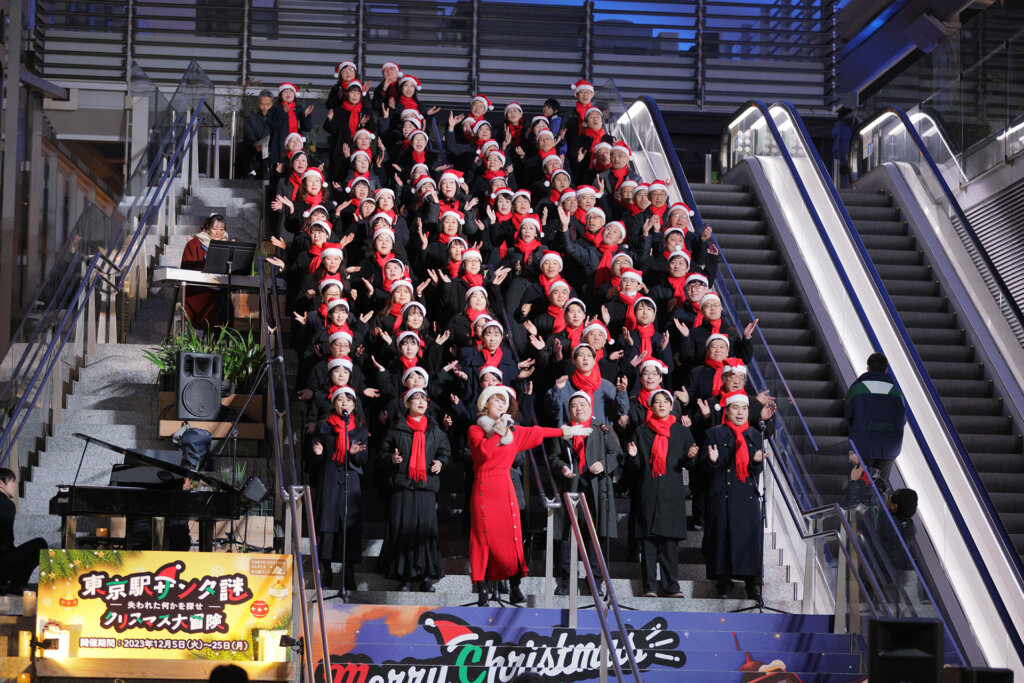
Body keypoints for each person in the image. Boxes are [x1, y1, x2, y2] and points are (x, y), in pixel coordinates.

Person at [468, 385, 589, 605]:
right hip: (484, 487)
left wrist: (565, 432)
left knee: (513, 537)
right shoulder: (476, 430)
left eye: (504, 400)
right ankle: (483, 591)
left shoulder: (513, 431)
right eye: (496, 399)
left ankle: (515, 586)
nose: (501, 403)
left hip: (505, 487)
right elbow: (484, 452)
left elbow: (538, 432)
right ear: (485, 404)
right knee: (483, 538)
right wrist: (499, 430)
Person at [625, 390, 697, 598]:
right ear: (651, 406)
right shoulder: (641, 431)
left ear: (672, 405)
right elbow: (636, 466)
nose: (662, 405)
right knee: (647, 543)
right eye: (657, 402)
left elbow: (690, 463)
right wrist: (632, 457)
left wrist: (691, 455)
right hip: (647, 491)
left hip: (672, 494)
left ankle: (671, 586)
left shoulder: (681, 431)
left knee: (669, 545)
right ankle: (649, 587)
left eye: (666, 401)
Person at [377, 388, 450, 592]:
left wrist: (441, 463)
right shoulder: (396, 429)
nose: (420, 401)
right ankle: (405, 576)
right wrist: (391, 459)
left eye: (423, 399)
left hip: (426, 487)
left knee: (425, 532)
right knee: (404, 531)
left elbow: (446, 453)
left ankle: (426, 575)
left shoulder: (436, 431)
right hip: (403, 486)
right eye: (415, 398)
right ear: (406, 404)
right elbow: (382, 453)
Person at [548, 391, 620, 596]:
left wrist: (603, 465)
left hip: (596, 489)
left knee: (594, 537)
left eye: (582, 405)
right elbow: (553, 457)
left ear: (590, 407)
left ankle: (595, 584)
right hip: (571, 487)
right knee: (567, 537)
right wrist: (561, 467)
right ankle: (566, 583)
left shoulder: (603, 429)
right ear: (569, 410)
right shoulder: (562, 432)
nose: (578, 408)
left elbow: (617, 454)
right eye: (574, 406)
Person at [704, 390, 765, 600]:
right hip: (722, 494)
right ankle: (724, 582)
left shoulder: (756, 435)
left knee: (750, 540)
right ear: (727, 410)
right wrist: (713, 461)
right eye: (736, 407)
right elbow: (704, 471)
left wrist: (756, 463)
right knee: (721, 538)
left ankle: (753, 584)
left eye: (745, 408)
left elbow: (755, 473)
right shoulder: (713, 434)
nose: (740, 412)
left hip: (746, 495)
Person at [311, 387, 368, 593]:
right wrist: (317, 454)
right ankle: (326, 571)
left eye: (349, 399)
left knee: (349, 527)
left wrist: (353, 454)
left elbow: (364, 459)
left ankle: (348, 573)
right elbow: (314, 461)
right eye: (340, 399)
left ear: (354, 405)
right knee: (328, 525)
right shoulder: (324, 427)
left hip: (350, 479)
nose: (344, 402)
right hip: (329, 479)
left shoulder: (360, 430)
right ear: (334, 403)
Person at [845, 352, 906, 481]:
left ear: (868, 368)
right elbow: (902, 419)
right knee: (881, 486)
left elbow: (848, 414)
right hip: (889, 446)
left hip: (863, 444)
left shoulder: (856, 390)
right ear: (886, 369)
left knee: (860, 484)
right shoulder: (896, 393)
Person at [179, 213, 231, 330]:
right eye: (214, 229)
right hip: (199, 289)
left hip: (218, 289)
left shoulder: (225, 245)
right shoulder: (195, 243)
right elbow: (187, 268)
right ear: (208, 228)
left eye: (221, 229)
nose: (218, 233)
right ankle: (213, 338)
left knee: (226, 302)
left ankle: (219, 340)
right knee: (217, 303)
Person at [0, 468, 47, 593]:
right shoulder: (6, 505)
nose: (15, 485)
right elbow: (4, 542)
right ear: (1, 483)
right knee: (39, 544)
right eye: (12, 481)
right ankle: (17, 586)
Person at [239, 89, 273, 179]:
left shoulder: (276, 119)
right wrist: (256, 144)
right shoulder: (252, 119)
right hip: (254, 150)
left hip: (270, 151)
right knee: (244, 147)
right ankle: (250, 171)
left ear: (272, 104)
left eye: (267, 104)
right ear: (259, 104)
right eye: (262, 104)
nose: (265, 107)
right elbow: (248, 134)